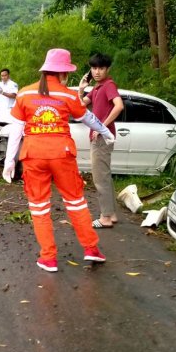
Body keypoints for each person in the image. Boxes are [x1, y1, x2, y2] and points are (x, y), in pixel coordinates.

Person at [2, 48, 115, 272]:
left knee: (39, 207)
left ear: (45, 70)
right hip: (62, 154)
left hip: (34, 155)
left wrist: (9, 161)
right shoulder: (68, 95)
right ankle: (91, 250)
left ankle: (48, 258)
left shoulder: (24, 93)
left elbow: (16, 131)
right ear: (63, 73)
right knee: (76, 202)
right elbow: (88, 118)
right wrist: (106, 131)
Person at [78, 53, 124, 228]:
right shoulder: (97, 88)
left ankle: (105, 218)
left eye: (101, 68)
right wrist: (82, 89)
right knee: (104, 176)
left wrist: (101, 127)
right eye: (94, 68)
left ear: (107, 69)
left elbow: (119, 106)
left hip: (102, 138)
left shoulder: (108, 85)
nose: (97, 72)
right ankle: (111, 214)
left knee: (99, 178)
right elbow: (81, 105)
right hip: (100, 137)